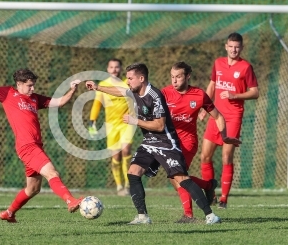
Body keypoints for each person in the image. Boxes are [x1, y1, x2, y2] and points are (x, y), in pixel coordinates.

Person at [86, 62, 221, 225]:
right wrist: (97, 88)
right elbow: (121, 91)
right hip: (150, 142)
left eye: (130, 78)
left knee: (182, 179)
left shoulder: (155, 96)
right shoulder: (135, 91)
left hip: (166, 143)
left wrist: (135, 121)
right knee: (133, 173)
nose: (127, 82)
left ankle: (210, 216)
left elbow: (159, 125)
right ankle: (142, 217)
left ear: (141, 78)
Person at [0, 68, 83, 223]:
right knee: (52, 173)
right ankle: (70, 200)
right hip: (27, 146)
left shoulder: (35, 99)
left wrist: (73, 90)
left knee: (33, 189)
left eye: (33, 85)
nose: (33, 88)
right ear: (19, 84)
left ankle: (9, 213)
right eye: (30, 85)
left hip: (36, 146)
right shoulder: (7, 93)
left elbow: (59, 102)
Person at [161, 61, 241, 223]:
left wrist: (224, 136)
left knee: (178, 176)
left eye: (178, 77)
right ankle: (207, 185)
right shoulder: (165, 93)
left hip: (187, 142)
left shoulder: (198, 95)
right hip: (169, 142)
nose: (174, 80)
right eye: (172, 77)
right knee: (174, 178)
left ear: (188, 76)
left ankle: (188, 215)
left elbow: (218, 116)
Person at [199, 32, 259, 209]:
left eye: (237, 47)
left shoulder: (246, 67)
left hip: (233, 117)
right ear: (226, 46)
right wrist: (204, 107)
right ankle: (210, 194)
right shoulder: (218, 63)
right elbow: (211, 86)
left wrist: (235, 95)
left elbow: (255, 92)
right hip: (215, 115)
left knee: (226, 157)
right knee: (204, 156)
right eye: (231, 46)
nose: (234, 49)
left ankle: (224, 198)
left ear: (241, 48)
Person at [89, 58, 134, 196]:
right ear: (108, 69)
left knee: (126, 150)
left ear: (121, 69)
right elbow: (97, 104)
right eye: (111, 67)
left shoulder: (128, 83)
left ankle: (128, 184)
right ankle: (119, 186)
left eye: (117, 67)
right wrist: (92, 121)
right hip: (111, 125)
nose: (114, 69)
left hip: (127, 122)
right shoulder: (103, 85)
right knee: (116, 156)